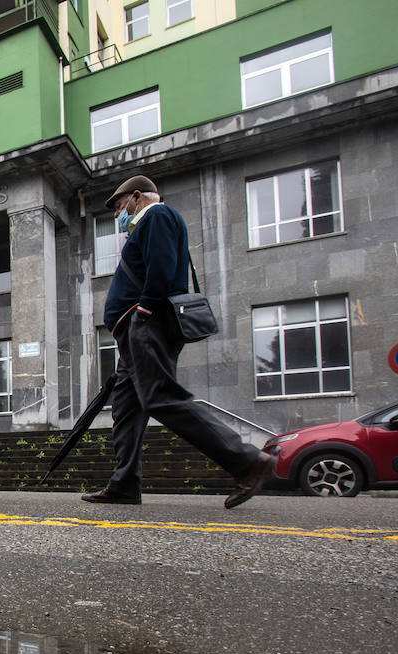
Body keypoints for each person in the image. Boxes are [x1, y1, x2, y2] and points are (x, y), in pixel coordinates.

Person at [85, 174, 275, 509]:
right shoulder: (147, 224)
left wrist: (145, 307)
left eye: (119, 207)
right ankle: (124, 484)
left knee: (162, 397)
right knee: (127, 409)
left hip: (146, 323)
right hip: (133, 331)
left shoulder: (158, 215)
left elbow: (162, 264)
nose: (118, 216)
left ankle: (246, 460)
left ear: (137, 197)